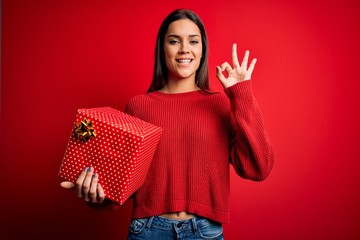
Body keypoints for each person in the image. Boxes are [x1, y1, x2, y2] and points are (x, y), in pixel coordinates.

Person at [61, 9, 274, 240]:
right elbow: (124, 185)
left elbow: (258, 167)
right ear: (163, 50)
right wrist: (96, 197)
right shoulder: (138, 106)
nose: (184, 48)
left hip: (205, 231)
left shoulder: (221, 104)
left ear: (202, 50)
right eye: (174, 41)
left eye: (193, 41)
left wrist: (241, 95)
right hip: (147, 230)